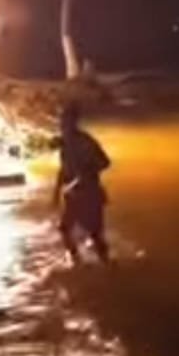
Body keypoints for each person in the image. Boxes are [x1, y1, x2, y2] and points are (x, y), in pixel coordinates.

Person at [53, 102, 111, 264]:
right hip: (73, 194)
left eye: (65, 121)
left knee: (95, 235)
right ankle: (77, 262)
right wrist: (56, 192)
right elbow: (63, 169)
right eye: (61, 121)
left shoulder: (86, 141)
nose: (62, 124)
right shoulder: (65, 143)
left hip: (90, 193)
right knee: (64, 229)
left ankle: (108, 267)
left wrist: (88, 171)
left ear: (74, 122)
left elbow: (105, 162)